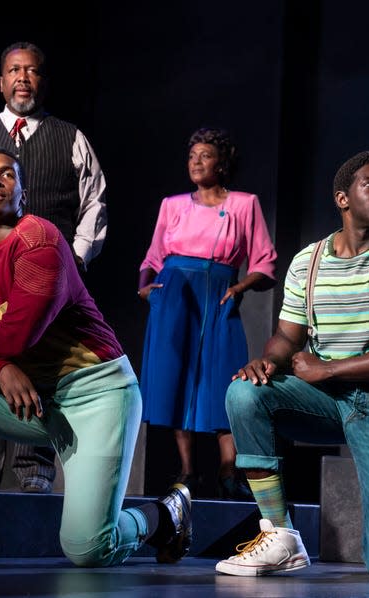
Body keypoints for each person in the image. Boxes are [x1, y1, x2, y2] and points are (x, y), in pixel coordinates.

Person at [0, 148, 191, 565]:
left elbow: (12, 335)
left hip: (96, 396)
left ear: (22, 193)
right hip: (31, 402)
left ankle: (165, 514)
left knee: (87, 548)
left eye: (7, 174)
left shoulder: (40, 239)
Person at [215, 150, 369, 579]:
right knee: (244, 393)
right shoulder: (309, 261)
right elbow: (287, 338)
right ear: (343, 198)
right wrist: (266, 361)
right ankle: (280, 534)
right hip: (322, 400)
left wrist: (330, 369)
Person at [0, 41, 108, 493]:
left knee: (40, 362)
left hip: (43, 281)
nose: (22, 78)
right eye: (14, 70)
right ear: (1, 81)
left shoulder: (71, 138)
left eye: (31, 71)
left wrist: (75, 261)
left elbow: (94, 206)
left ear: (42, 80)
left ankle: (34, 475)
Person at [138, 127, 278, 500]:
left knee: (223, 376)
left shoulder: (244, 204)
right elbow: (153, 257)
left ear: (223, 163)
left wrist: (239, 287)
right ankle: (186, 471)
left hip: (218, 293)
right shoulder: (172, 205)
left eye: (205, 155)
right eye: (191, 156)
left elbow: (265, 263)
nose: (196, 162)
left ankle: (228, 466)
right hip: (174, 295)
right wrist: (145, 287)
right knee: (176, 378)